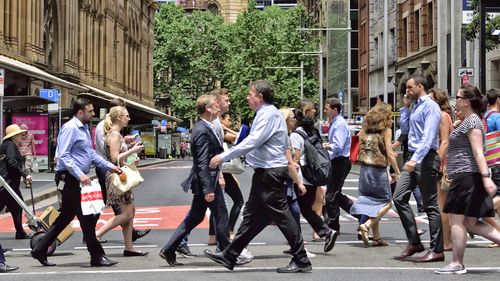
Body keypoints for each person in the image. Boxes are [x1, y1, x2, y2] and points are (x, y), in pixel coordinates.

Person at [206, 80, 311, 273]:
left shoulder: (268, 114)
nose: (247, 97)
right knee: (252, 217)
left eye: (250, 94)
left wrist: (223, 156)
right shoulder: (268, 113)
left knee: (282, 216)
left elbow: (253, 141)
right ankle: (230, 254)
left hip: (270, 173)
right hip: (266, 172)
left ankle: (301, 258)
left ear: (259, 97)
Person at [30, 98, 122, 267]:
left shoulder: (84, 128)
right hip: (69, 178)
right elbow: (64, 155)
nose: (93, 114)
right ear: (80, 112)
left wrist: (111, 166)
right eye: (90, 111)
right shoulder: (70, 128)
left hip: (75, 178)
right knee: (87, 217)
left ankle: (40, 249)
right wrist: (80, 175)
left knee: (65, 217)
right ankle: (97, 256)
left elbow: (91, 155)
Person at [434, 85, 500, 275]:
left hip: (466, 176)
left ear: (467, 101)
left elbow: (479, 153)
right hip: (467, 176)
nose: (456, 101)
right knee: (471, 222)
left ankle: (456, 263)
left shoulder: (472, 122)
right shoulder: (468, 121)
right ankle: (457, 262)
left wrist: (486, 177)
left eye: (458, 97)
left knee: (457, 221)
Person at [159, 95, 230, 266]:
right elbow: (202, 162)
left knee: (195, 217)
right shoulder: (201, 130)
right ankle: (228, 253)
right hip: (207, 181)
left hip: (205, 181)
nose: (219, 107)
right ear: (207, 108)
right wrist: (208, 189)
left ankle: (169, 248)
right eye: (215, 105)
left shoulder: (206, 127)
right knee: (221, 216)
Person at [392, 74, 444, 262]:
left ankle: (437, 249)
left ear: (420, 87)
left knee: (430, 205)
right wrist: (405, 109)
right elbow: (405, 131)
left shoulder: (431, 107)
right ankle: (414, 241)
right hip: (412, 156)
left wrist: (416, 160)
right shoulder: (415, 106)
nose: (406, 91)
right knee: (398, 197)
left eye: (409, 88)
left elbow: (428, 137)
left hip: (425, 158)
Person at [93, 98, 151, 243]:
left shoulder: (116, 133)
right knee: (124, 213)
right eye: (126, 115)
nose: (129, 118)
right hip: (114, 174)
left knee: (130, 211)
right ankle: (96, 235)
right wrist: (132, 150)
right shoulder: (112, 133)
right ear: (118, 116)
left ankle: (129, 246)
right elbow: (113, 157)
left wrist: (130, 154)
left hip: (119, 173)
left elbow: (118, 154)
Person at [350, 103, 400, 247]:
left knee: (372, 202)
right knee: (386, 202)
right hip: (378, 170)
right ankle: (367, 225)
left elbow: (358, 140)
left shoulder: (365, 128)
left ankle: (377, 238)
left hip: (365, 170)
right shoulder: (386, 130)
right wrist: (397, 171)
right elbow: (390, 154)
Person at [289, 108, 338, 251]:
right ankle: (325, 232)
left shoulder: (295, 135)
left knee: (293, 209)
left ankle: (299, 243)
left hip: (302, 177)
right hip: (312, 176)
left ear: (296, 121)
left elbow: (296, 159)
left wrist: (292, 175)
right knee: (305, 208)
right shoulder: (312, 132)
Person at [322, 97, 355, 233]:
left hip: (340, 161)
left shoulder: (339, 124)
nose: (325, 111)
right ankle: (360, 215)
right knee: (336, 195)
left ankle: (333, 227)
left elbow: (338, 145)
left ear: (335, 109)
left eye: (327, 109)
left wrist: (326, 146)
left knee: (331, 196)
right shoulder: (335, 122)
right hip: (337, 161)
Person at [428, 88, 454, 251]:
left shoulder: (442, 116)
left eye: (431, 98)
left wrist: (437, 163)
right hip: (443, 162)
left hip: (443, 164)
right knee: (443, 204)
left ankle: (446, 241)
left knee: (441, 204)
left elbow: (445, 142)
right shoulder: (439, 116)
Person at [0, 124, 33, 239]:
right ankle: (20, 232)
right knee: (15, 206)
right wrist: (25, 175)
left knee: (17, 207)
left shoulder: (8, 145)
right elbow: (12, 163)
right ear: (13, 136)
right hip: (7, 185)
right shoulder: (10, 145)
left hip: (10, 185)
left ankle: (20, 232)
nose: (21, 135)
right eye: (19, 134)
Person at [18, 124, 36, 188]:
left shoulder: (30, 135)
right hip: (20, 154)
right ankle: (26, 182)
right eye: (21, 130)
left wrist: (34, 154)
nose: (23, 132)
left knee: (27, 168)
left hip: (28, 153)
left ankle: (29, 182)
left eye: (24, 130)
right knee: (22, 169)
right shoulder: (18, 136)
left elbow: (32, 145)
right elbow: (16, 145)